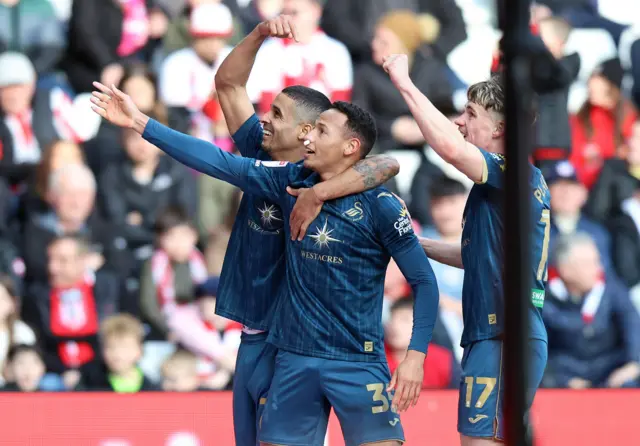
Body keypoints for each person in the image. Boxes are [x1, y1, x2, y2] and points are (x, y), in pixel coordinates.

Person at [90, 77, 439, 446]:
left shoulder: (382, 206)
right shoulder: (289, 181)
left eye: (321, 131)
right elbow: (215, 160)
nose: (308, 138)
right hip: (294, 361)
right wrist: (141, 123)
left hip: (357, 361)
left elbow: (424, 281)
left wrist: (415, 356)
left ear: (350, 146)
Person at [214, 14, 403, 446]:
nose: (265, 118)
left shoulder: (320, 180)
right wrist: (260, 34)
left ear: (307, 133)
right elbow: (227, 85)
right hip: (251, 334)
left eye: (276, 113)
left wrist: (320, 193)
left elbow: (388, 163)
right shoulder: (260, 154)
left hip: (292, 342)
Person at [383, 53, 550, 445]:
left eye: (470, 114)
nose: (460, 121)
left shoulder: (510, 172)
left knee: (479, 442)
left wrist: (404, 82)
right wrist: (412, 243)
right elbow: (472, 255)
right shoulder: (507, 185)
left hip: (503, 333)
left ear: (500, 129)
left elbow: (450, 150)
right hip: (500, 332)